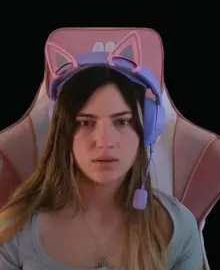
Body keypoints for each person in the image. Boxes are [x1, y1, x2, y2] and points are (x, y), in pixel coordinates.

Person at [0, 66, 204, 270]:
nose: (105, 142)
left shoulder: (179, 227)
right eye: (86, 123)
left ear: (147, 131)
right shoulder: (14, 230)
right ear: (64, 133)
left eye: (122, 121)